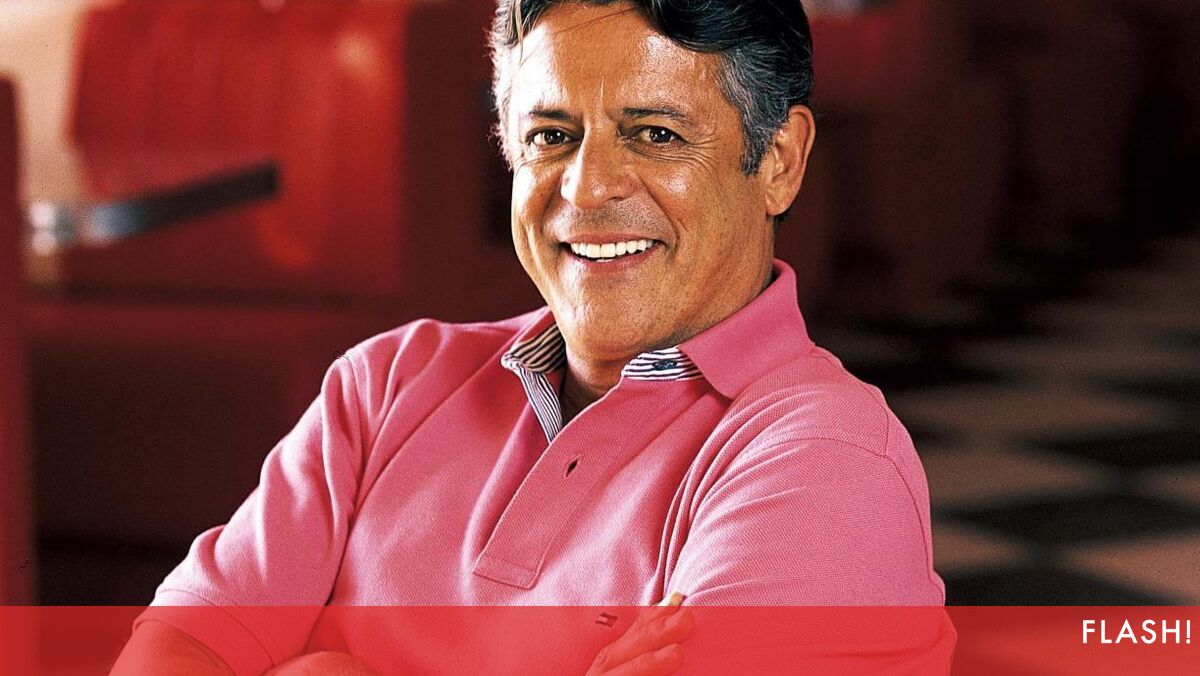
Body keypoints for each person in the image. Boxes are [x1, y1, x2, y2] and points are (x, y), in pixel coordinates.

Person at [112, 1, 946, 674]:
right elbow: (172, 652)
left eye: (655, 133)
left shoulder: (827, 465)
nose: (587, 187)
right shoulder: (385, 385)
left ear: (780, 161)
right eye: (552, 135)